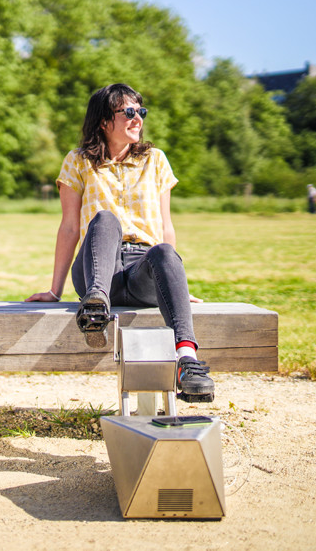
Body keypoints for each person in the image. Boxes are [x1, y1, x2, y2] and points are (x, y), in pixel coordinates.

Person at [25, 83, 214, 400]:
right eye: (128, 111)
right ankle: (95, 306)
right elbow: (70, 228)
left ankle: (187, 361)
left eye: (141, 111)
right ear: (103, 121)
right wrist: (55, 291)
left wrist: (177, 280)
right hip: (98, 267)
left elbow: (166, 227)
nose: (137, 117)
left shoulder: (155, 160)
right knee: (106, 219)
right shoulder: (78, 161)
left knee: (164, 252)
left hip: (143, 270)